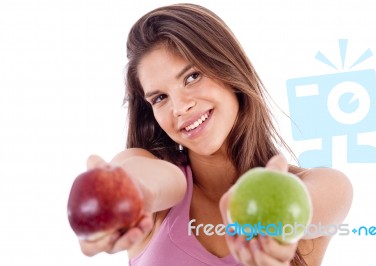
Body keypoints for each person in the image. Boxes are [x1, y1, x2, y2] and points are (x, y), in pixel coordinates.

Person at [78, 3, 353, 266]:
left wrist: (273, 211)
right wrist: (130, 195)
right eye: (160, 97)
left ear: (228, 68)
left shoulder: (324, 185)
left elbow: (308, 204)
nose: (180, 107)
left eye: (192, 77)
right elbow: (150, 178)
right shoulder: (165, 188)